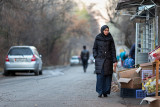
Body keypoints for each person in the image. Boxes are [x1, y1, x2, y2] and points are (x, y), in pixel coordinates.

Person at [93, 25, 117, 98]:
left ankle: (105, 92)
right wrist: (96, 56)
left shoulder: (110, 38)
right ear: (102, 30)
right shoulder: (98, 37)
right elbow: (94, 48)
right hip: (100, 60)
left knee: (108, 76)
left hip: (108, 60)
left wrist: (114, 60)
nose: (106, 31)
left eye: (107, 30)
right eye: (105, 30)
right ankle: (100, 92)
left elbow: (113, 49)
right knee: (100, 76)